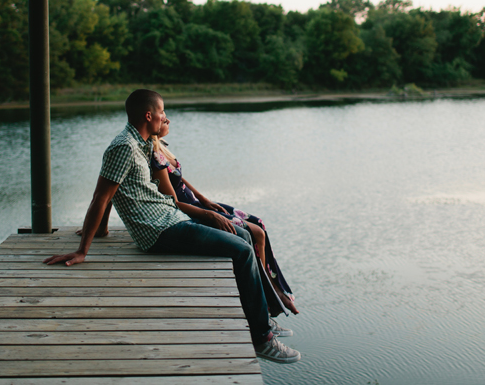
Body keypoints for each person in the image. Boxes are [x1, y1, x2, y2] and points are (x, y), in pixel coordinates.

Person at [43, 89, 300, 364]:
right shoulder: (123, 147)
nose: (165, 117)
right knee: (243, 251)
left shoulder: (141, 143)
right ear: (148, 115)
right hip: (158, 230)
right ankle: (261, 338)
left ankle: (261, 319)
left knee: (245, 236)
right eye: (162, 112)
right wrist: (83, 250)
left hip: (171, 217)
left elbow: (113, 192)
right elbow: (102, 195)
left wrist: (103, 229)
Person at [150, 121, 299, 316]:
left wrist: (204, 198)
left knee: (259, 222)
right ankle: (270, 293)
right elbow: (173, 201)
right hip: (191, 212)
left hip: (198, 204)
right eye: (163, 117)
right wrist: (208, 213)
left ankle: (273, 287)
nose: (167, 120)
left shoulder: (163, 149)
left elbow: (177, 177)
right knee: (256, 233)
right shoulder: (154, 157)